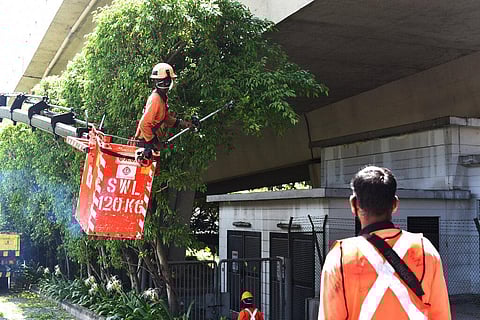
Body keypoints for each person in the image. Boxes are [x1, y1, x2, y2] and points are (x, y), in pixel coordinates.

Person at [318, 166, 451, 320]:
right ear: (395, 204)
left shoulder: (339, 257)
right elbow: (441, 315)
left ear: (354, 204)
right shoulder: (424, 249)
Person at [135, 62, 191, 159]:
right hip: (144, 145)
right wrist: (155, 142)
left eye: (167, 82)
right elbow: (144, 124)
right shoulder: (156, 99)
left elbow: (165, 118)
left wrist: (183, 124)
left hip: (149, 143)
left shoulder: (162, 98)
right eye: (164, 82)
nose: (166, 85)